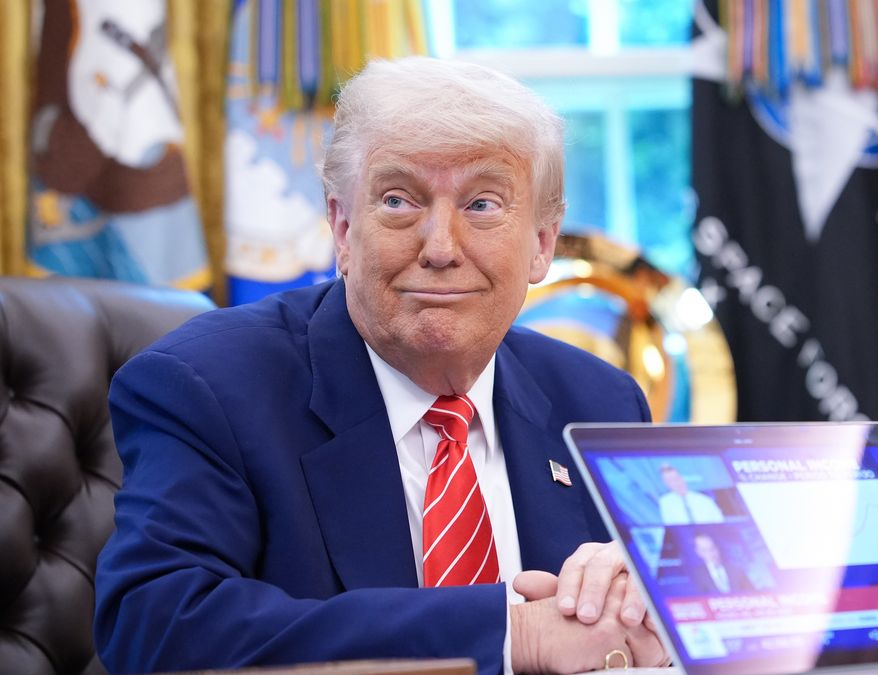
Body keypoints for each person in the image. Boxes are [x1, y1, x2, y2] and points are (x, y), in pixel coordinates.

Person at [93, 57, 668, 674]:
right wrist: (512, 636)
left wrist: (655, 604)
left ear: (542, 244)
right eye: (398, 200)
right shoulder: (207, 387)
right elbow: (155, 623)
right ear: (342, 227)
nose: (441, 249)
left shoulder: (599, 401)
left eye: (482, 204)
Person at [657, 463, 725, 525]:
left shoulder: (705, 500)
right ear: (666, 484)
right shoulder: (665, 502)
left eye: (677, 478)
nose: (676, 483)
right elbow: (669, 527)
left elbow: (720, 521)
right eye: (670, 481)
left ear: (682, 478)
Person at [689, 534, 754, 595]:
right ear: (698, 552)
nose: (710, 553)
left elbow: (752, 593)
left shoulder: (736, 570)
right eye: (704, 550)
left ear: (718, 547)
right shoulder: (698, 575)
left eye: (712, 548)